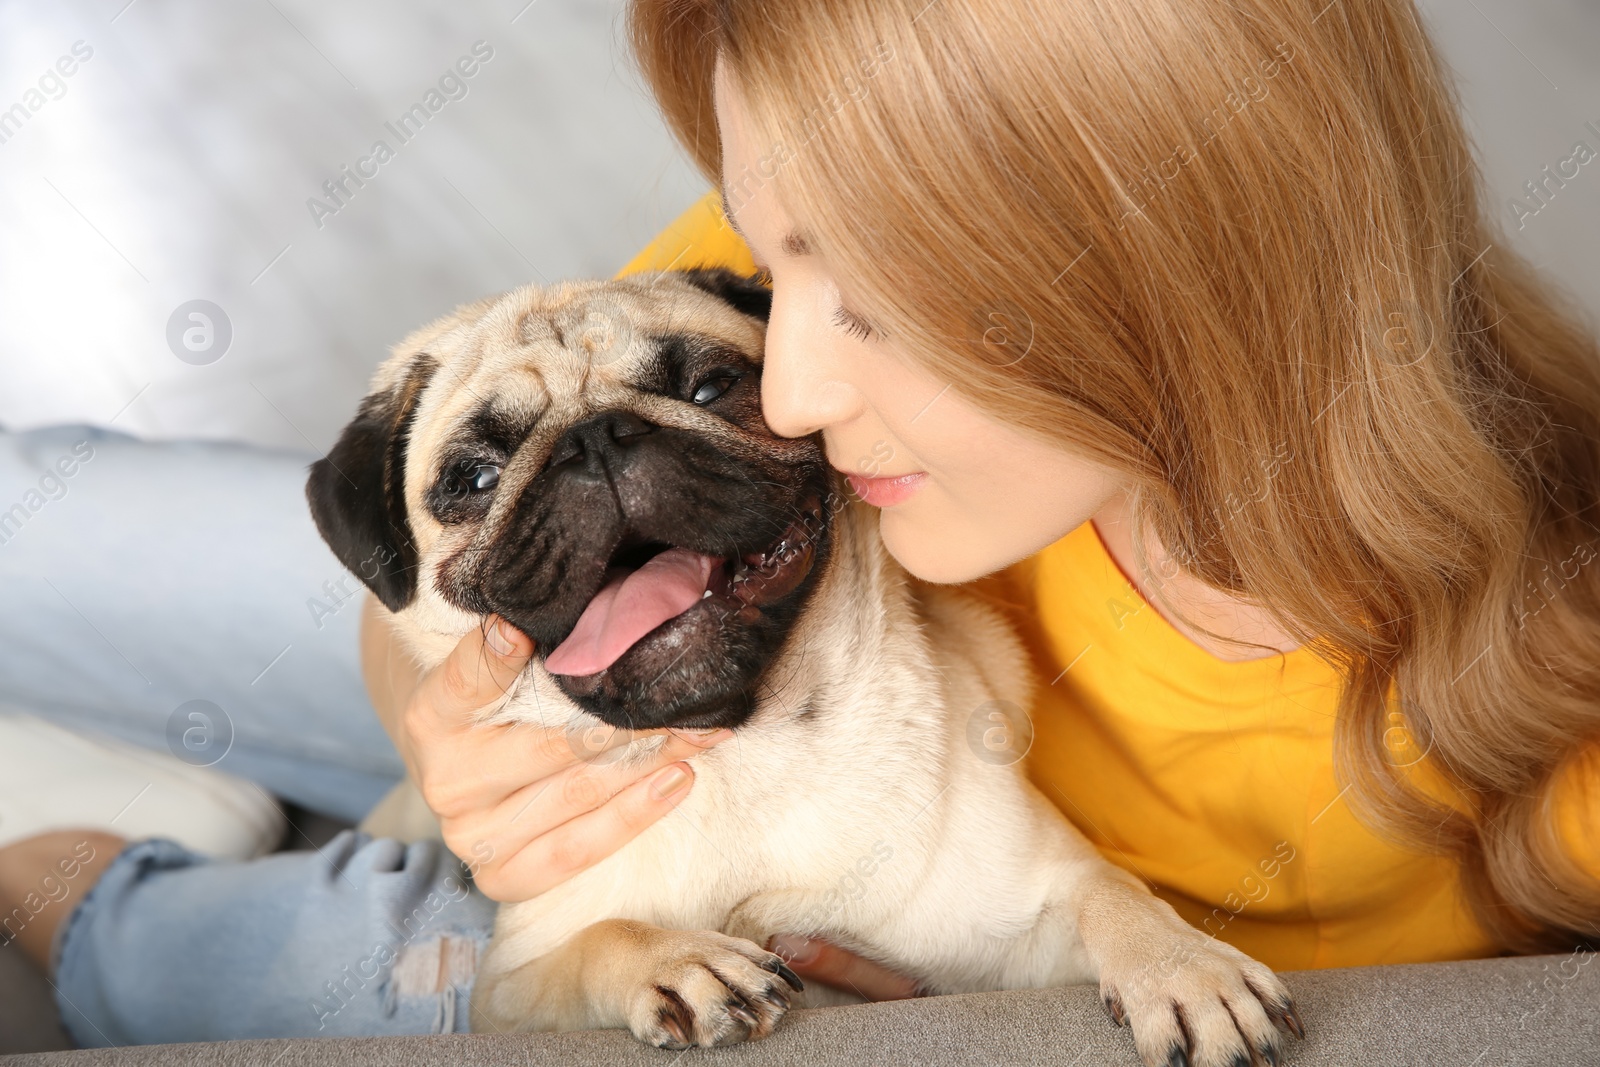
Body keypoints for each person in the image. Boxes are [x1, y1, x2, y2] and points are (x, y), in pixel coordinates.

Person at [2, 0, 1597, 1053]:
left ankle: (82, 898)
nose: (797, 376)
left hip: (792, 880)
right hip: (543, 684)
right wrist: (445, 748)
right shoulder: (779, 297)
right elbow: (419, 566)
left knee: (375, 961)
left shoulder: (1548, 724)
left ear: (1151, 286)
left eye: (879, 306)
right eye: (775, 266)